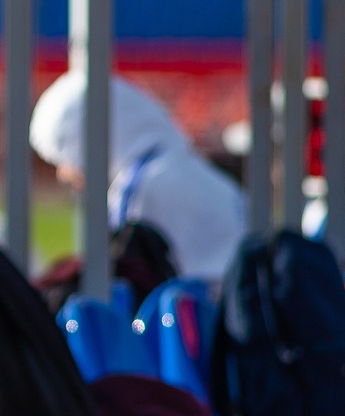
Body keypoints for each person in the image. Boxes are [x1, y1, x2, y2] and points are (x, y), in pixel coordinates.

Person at [30, 72, 245, 283]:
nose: (63, 174)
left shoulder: (145, 187)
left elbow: (133, 279)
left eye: (65, 159)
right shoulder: (181, 169)